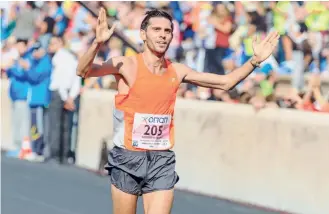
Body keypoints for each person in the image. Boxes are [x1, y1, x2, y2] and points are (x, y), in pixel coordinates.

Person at [77, 8, 279, 214]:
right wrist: (97, 43)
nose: (162, 35)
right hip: (128, 157)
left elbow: (226, 83)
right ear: (143, 34)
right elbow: (83, 71)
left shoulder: (178, 70)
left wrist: (254, 61)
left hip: (161, 159)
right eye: (156, 29)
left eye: (167, 31)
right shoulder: (126, 64)